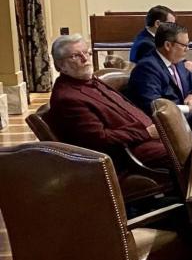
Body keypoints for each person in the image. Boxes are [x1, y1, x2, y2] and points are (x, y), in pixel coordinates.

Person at [47, 34, 169, 169]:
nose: (85, 59)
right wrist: (146, 132)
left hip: (148, 140)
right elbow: (100, 139)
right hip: (129, 153)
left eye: (86, 53)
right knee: (189, 156)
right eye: (75, 56)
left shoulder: (88, 81)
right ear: (60, 65)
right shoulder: (68, 98)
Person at [126, 22, 192, 115]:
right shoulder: (147, 68)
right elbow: (154, 106)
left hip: (187, 120)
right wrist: (187, 109)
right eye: (184, 45)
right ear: (168, 45)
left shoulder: (177, 62)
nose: (187, 49)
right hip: (169, 126)